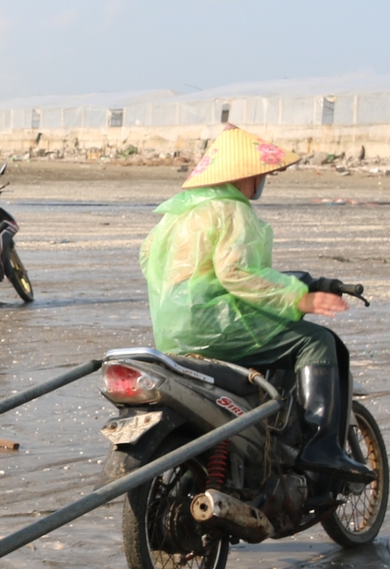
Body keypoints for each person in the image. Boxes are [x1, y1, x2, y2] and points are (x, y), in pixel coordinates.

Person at [139, 125, 373, 481]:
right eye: (261, 173)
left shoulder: (174, 217)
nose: (263, 179)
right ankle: (321, 446)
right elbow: (238, 273)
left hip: (173, 333)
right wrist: (300, 298)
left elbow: (153, 264)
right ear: (242, 175)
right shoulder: (233, 211)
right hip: (216, 325)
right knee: (317, 341)